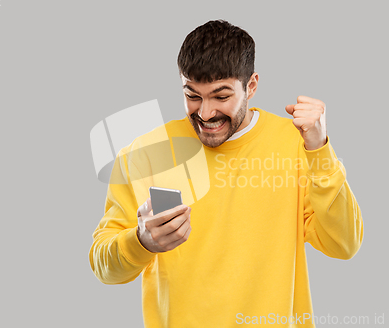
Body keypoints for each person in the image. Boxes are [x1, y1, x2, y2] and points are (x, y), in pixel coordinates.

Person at [89, 19, 363, 328]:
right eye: (193, 96)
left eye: (221, 97)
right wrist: (141, 242)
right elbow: (104, 267)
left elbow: (344, 244)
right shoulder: (147, 152)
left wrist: (320, 149)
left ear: (252, 86)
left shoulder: (297, 144)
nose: (205, 113)